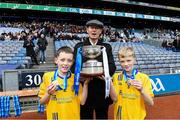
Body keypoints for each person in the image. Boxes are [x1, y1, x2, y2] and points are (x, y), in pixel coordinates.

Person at [71, 19, 116, 119]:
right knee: (85, 117)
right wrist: (82, 75)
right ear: (87, 30)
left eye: (97, 28)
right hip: (85, 90)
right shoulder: (79, 47)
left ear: (101, 31)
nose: (94, 30)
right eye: (91, 28)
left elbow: (112, 66)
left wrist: (102, 74)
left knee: (102, 116)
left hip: (102, 88)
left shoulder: (106, 47)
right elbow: (73, 67)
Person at [38, 46, 89, 119]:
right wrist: (48, 93)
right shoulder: (47, 76)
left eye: (69, 60)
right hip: (55, 117)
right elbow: (42, 102)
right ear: (56, 60)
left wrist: (86, 84)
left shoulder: (76, 78)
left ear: (72, 62)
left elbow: (82, 102)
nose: (65, 63)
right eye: (62, 60)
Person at [112, 47, 154, 120]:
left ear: (134, 60)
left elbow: (150, 103)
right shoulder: (116, 77)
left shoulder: (144, 78)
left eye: (128, 60)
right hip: (120, 117)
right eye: (122, 61)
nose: (126, 64)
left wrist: (142, 90)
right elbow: (114, 99)